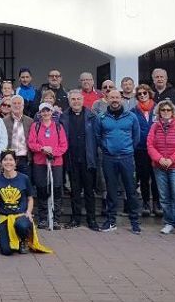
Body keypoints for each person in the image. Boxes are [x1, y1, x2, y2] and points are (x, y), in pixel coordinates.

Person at [95, 90, 142, 234]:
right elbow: (98, 136)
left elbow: (136, 136)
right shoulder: (101, 117)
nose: (114, 100)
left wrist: (127, 149)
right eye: (112, 97)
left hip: (127, 158)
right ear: (107, 99)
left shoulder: (131, 117)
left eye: (117, 97)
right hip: (109, 158)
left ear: (121, 99)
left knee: (131, 190)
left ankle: (135, 222)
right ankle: (111, 221)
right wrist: (107, 148)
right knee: (111, 190)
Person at [0, 150, 52, 255]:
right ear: (1, 162)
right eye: (5, 160)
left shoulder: (24, 178)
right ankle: (13, 240)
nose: (8, 162)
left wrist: (28, 212)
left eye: (11, 160)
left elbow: (30, 198)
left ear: (15, 162)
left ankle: (24, 240)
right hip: (5, 216)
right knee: (6, 251)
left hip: (21, 215)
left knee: (22, 225)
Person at [147, 100, 175, 238]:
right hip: (159, 166)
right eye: (163, 110)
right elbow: (150, 145)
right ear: (159, 112)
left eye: (168, 110)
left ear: (173, 112)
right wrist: (160, 159)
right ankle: (169, 223)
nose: (165, 112)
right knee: (164, 197)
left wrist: (171, 159)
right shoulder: (154, 127)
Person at [28, 102, 68, 230]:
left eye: (48, 111)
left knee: (56, 188)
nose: (46, 113)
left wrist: (53, 152)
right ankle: (43, 218)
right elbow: (31, 143)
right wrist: (42, 149)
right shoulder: (36, 126)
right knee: (42, 189)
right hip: (40, 162)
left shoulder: (58, 127)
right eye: (43, 111)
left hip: (56, 163)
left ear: (52, 112)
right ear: (40, 113)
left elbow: (63, 145)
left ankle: (55, 218)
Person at [64, 91, 99, 230]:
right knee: (75, 191)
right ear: (69, 100)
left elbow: (97, 136)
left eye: (79, 99)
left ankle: (92, 219)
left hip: (87, 159)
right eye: (73, 99)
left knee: (89, 191)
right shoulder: (64, 117)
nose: (76, 101)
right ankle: (75, 218)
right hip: (72, 158)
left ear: (83, 100)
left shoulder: (92, 116)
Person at [130, 84, 159, 217]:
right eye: (139, 94)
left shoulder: (158, 109)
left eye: (145, 93)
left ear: (149, 94)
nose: (142, 95)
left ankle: (157, 203)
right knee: (144, 177)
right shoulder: (133, 111)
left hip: (156, 148)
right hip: (140, 148)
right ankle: (146, 202)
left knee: (156, 177)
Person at [3, 95, 33, 178]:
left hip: (24, 159)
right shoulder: (3, 121)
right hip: (9, 159)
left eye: (19, 103)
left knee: (25, 185)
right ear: (11, 106)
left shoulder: (30, 121)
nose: (17, 105)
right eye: (14, 103)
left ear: (23, 106)